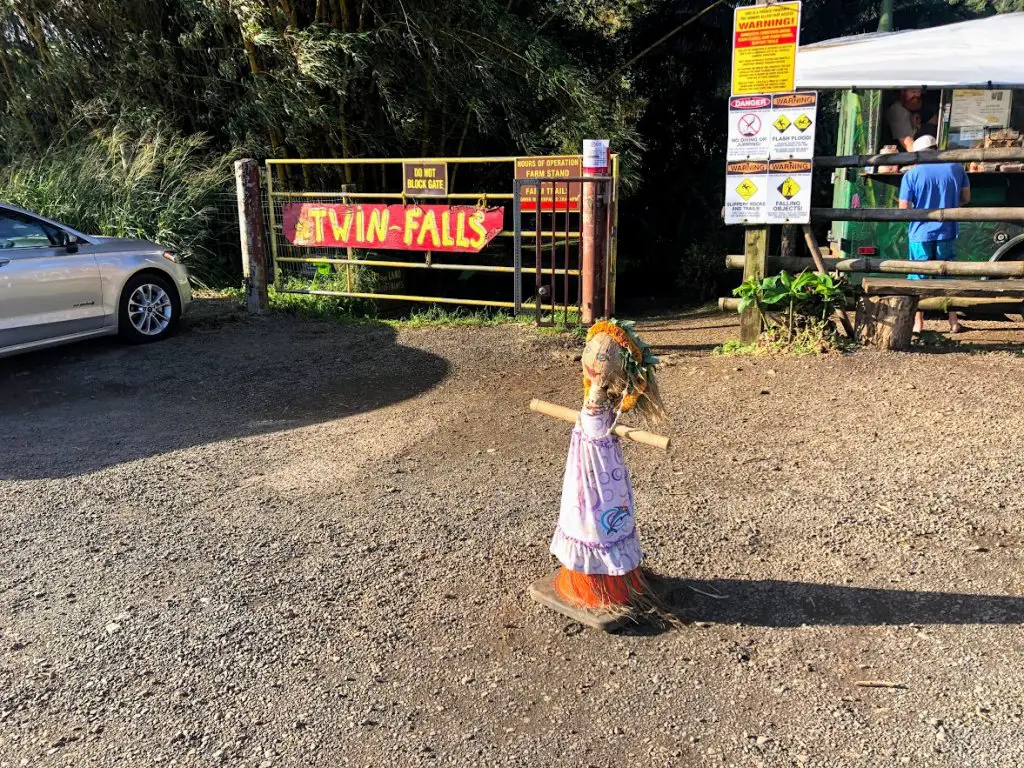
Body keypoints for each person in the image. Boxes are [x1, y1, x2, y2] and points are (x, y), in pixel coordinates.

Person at [898, 135, 971, 334]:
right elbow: (965, 198)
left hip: (920, 232)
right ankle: (953, 322)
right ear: (936, 148)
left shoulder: (911, 174)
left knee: (918, 277)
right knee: (947, 275)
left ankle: (918, 323)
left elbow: (904, 206)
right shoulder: (956, 168)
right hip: (947, 230)